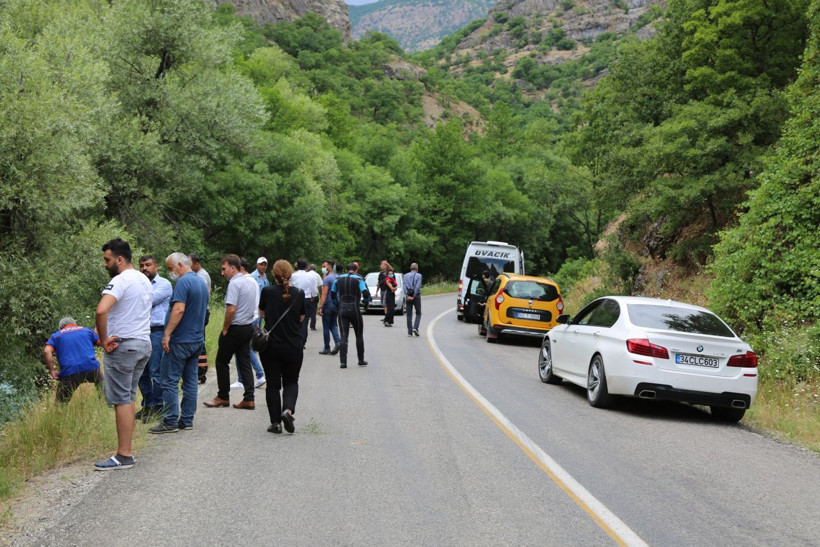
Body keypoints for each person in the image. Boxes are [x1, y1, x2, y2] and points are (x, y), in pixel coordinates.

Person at [94, 238, 153, 471]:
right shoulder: (144, 279)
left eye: (107, 260)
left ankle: (124, 454)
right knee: (128, 397)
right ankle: (126, 452)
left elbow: (101, 309)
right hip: (143, 344)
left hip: (123, 346)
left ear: (119, 259)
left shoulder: (121, 280)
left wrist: (104, 338)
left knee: (121, 400)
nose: (105, 264)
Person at [149, 253, 209, 434]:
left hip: (180, 340)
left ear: (180, 265)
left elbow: (179, 309)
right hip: (196, 339)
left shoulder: (183, 282)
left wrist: (167, 334)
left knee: (169, 381)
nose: (170, 272)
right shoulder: (201, 282)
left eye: (170, 268)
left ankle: (170, 420)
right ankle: (187, 419)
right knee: (190, 381)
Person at [203, 254, 256, 410]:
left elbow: (231, 309)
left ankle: (223, 396)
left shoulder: (234, 284)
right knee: (244, 361)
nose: (222, 272)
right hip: (248, 327)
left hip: (235, 328)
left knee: (221, 361)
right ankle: (249, 398)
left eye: (224, 269)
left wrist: (225, 328)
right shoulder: (250, 282)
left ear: (233, 268)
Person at [258, 260, 306, 434]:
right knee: (291, 382)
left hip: (271, 347)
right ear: (290, 274)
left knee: (272, 385)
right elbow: (301, 317)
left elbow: (262, 313)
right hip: (293, 346)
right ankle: (288, 410)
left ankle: (275, 423)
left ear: (274, 274)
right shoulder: (299, 293)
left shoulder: (267, 291)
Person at [136, 255, 172, 421]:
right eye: (142, 265)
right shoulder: (138, 284)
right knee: (141, 372)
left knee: (155, 371)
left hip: (157, 332)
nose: (145, 268)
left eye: (148, 265)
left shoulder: (163, 284)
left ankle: (158, 406)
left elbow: (146, 301)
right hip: (139, 331)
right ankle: (148, 405)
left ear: (156, 266)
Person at [44, 317, 103, 403]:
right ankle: (106, 404)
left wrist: (52, 370)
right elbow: (101, 342)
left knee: (60, 404)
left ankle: (59, 413)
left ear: (61, 328)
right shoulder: (87, 331)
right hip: (91, 367)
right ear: (75, 324)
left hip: (69, 372)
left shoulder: (56, 336)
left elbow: (46, 351)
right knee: (102, 383)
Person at [231, 259, 266, 390]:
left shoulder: (243, 281)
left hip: (246, 319)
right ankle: (248, 377)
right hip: (254, 316)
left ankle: (257, 374)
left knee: (244, 348)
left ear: (240, 268)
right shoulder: (254, 280)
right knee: (245, 348)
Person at [331, 262, 371, 368]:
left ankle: (343, 362)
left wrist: (336, 303)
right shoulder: (358, 279)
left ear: (346, 270)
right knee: (359, 334)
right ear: (355, 270)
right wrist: (366, 301)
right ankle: (361, 360)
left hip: (342, 309)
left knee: (343, 336)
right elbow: (365, 292)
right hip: (355, 309)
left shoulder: (338, 279)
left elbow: (332, 293)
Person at [189, 253, 211, 384]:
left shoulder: (201, 276)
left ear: (196, 263)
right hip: (200, 311)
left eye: (190, 262)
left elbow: (199, 295)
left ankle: (200, 373)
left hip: (201, 312)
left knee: (199, 341)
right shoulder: (199, 275)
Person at [290, 258, 317, 347]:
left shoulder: (293, 275)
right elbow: (313, 288)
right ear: (306, 266)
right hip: (306, 298)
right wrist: (313, 296)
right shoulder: (309, 276)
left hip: (295, 299)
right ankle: (303, 340)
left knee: (295, 319)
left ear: (297, 266)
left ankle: (295, 338)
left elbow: (290, 286)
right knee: (304, 320)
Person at [317, 260, 341, 355]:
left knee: (326, 326)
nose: (324, 268)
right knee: (333, 325)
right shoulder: (338, 277)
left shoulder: (328, 279)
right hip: (336, 304)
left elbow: (324, 293)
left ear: (329, 267)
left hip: (328, 304)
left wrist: (320, 306)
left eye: (325, 266)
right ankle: (338, 341)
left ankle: (327, 347)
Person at [404, 262, 423, 337]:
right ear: (417, 269)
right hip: (416, 296)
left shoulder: (405, 276)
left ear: (410, 268)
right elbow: (417, 286)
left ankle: (409, 332)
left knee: (409, 314)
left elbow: (404, 286)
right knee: (418, 313)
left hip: (408, 296)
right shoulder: (419, 275)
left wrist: (407, 295)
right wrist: (414, 295)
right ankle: (415, 327)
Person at [307, 264, 323, 331]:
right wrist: (321, 294)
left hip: (306, 295)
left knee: (305, 310)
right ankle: (312, 326)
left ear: (308, 268)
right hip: (314, 294)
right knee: (313, 310)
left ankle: (304, 325)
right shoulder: (317, 275)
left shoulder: (306, 274)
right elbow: (320, 286)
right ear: (315, 269)